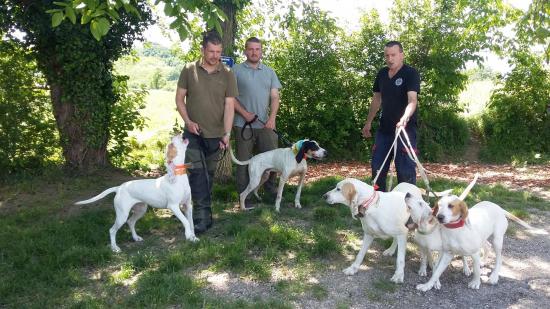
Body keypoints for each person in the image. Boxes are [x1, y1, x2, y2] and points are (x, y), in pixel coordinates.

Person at [175, 31, 237, 233]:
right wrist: (188, 121)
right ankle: (200, 219)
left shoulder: (228, 74)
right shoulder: (188, 70)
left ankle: (204, 214)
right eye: (211, 51)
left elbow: (229, 106)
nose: (215, 56)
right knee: (197, 175)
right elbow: (179, 99)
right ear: (203, 49)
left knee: (208, 177)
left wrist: (227, 134)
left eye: (218, 52)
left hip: (216, 136)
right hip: (192, 134)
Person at [362, 41, 420, 192]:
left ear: (402, 55)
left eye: (393, 55)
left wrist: (404, 118)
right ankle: (378, 204)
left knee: (405, 172)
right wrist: (368, 122)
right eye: (387, 55)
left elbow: (412, 100)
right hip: (384, 130)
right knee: (377, 168)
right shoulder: (382, 73)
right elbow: (376, 99)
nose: (390, 59)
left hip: (405, 131)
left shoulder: (410, 73)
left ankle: (408, 209)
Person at [232, 37, 282, 208]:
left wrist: (272, 118)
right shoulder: (235, 70)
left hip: (266, 126)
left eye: (257, 49)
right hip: (242, 124)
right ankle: (245, 197)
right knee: (244, 162)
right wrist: (245, 114)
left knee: (274, 159)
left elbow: (275, 97)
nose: (254, 52)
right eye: (251, 49)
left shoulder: (270, 72)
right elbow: (229, 97)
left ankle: (269, 190)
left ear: (261, 51)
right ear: (245, 51)